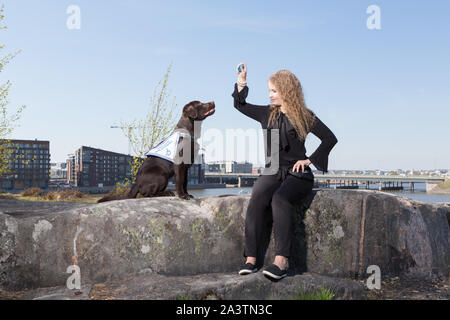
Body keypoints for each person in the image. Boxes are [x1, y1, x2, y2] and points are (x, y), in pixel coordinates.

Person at [232, 62, 338, 280]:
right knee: (257, 200)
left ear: (287, 91)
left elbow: (330, 139)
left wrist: (309, 161)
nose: (270, 95)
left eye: (274, 91)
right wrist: (242, 81)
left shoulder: (305, 116)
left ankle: (281, 261)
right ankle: (251, 259)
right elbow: (240, 105)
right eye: (269, 91)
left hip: (297, 173)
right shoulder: (266, 114)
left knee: (279, 199)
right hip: (272, 169)